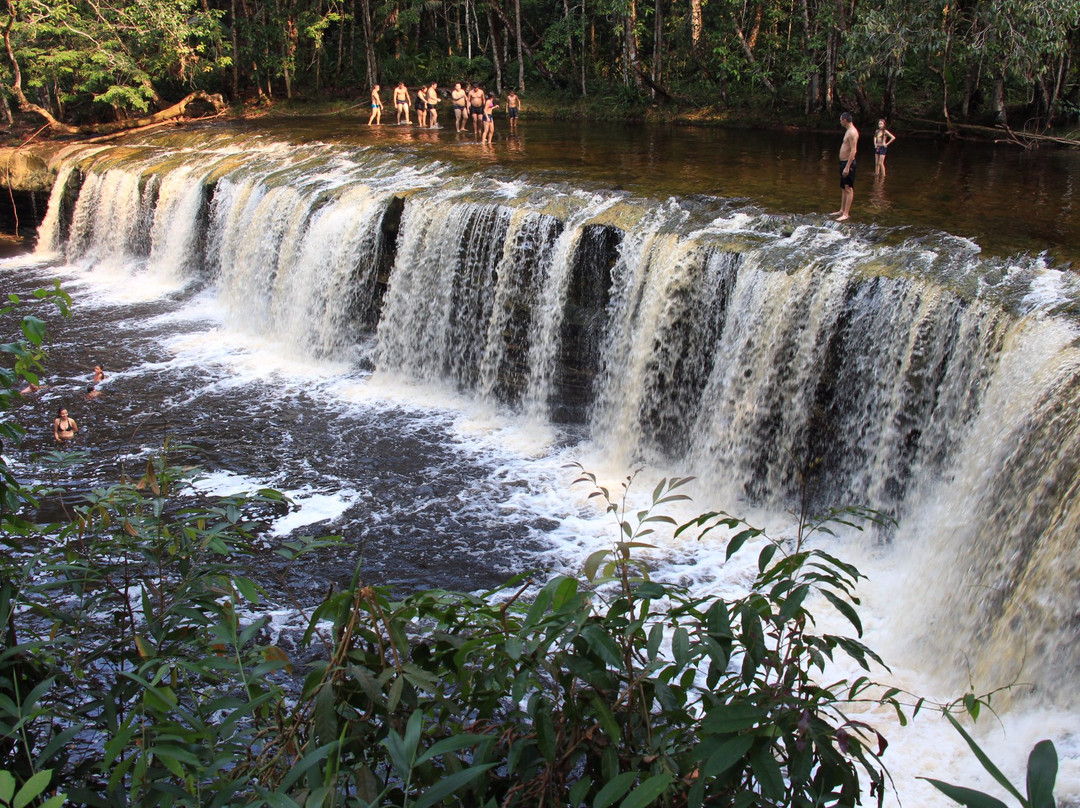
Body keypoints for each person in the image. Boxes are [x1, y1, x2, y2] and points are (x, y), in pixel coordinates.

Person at [832, 111, 859, 222]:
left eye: (840, 120)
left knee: (848, 188)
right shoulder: (848, 131)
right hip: (843, 162)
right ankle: (842, 210)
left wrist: (847, 167)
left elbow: (854, 150)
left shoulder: (852, 132)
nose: (840, 121)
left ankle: (846, 214)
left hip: (848, 163)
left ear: (844, 120)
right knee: (843, 187)